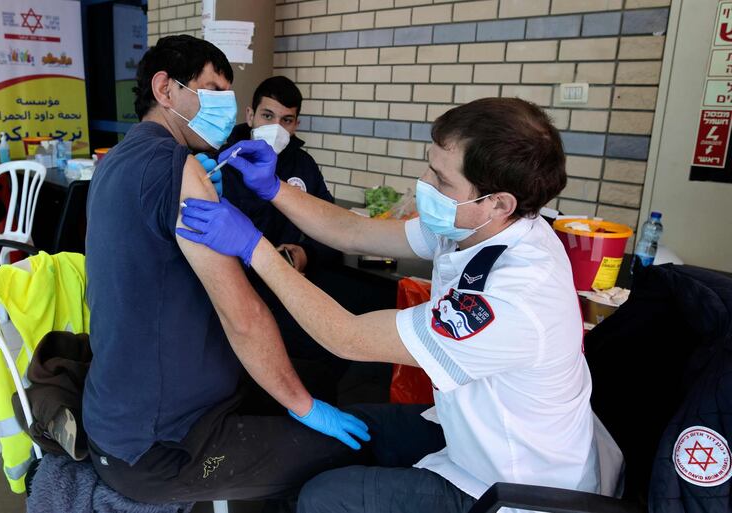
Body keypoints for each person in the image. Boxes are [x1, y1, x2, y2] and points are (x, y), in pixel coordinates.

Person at [178, 98, 624, 513]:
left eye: (442, 180)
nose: (425, 185)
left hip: (511, 487)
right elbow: (354, 232)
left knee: (325, 499)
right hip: (465, 433)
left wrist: (254, 247)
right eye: (431, 169)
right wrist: (274, 188)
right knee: (334, 435)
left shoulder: (515, 296)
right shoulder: (475, 225)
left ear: (498, 202)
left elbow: (347, 337)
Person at [82, 35, 370, 506]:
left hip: (124, 412)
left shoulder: (115, 160)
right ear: (164, 89)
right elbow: (243, 315)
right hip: (164, 445)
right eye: (212, 88)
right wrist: (304, 407)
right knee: (342, 452)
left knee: (315, 375)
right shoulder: (179, 169)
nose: (223, 106)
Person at [222, 76, 346, 403]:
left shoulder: (302, 164)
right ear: (250, 115)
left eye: (286, 120)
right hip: (237, 290)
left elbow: (331, 226)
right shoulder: (223, 160)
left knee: (332, 352)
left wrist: (305, 253)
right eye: (267, 116)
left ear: (296, 123)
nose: (276, 127)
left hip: (289, 290)